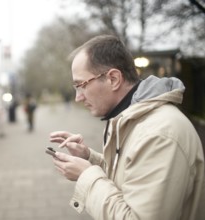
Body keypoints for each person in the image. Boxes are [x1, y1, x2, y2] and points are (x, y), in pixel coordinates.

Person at [48, 35, 205, 220]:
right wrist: (89, 158)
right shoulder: (132, 118)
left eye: (81, 85)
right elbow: (130, 178)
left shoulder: (159, 134)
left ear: (113, 78)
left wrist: (86, 176)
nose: (78, 97)